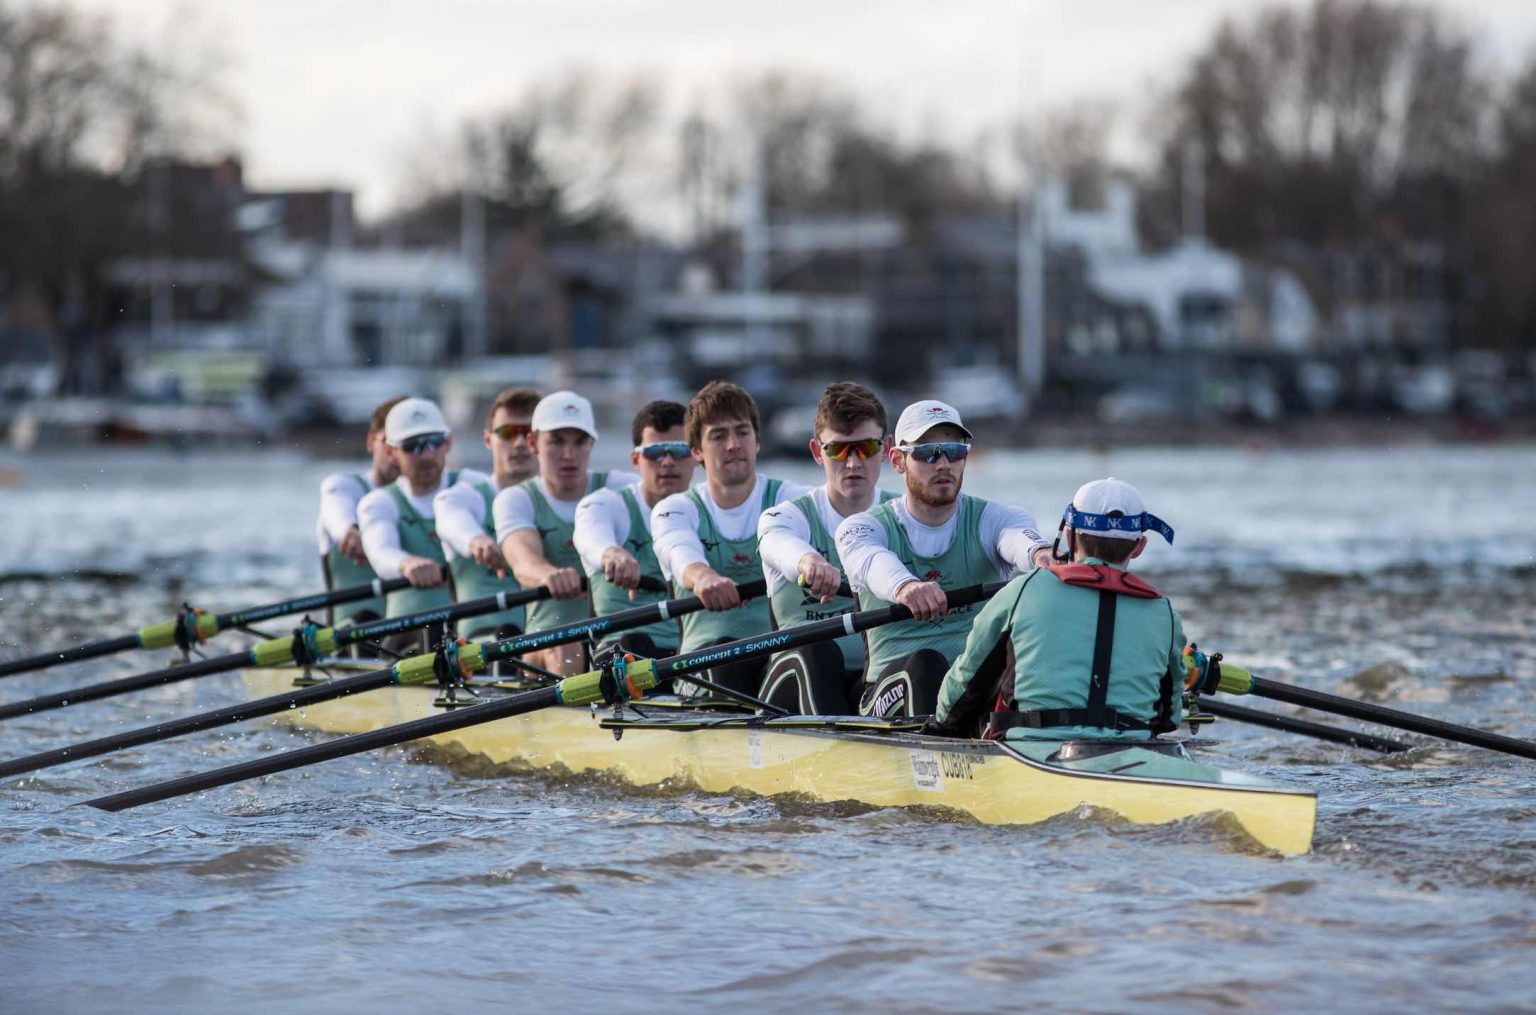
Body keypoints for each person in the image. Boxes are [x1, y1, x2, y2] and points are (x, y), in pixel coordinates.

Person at [835, 400, 1052, 718]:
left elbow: (1018, 540)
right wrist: (905, 586)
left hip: (969, 690)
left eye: (954, 451)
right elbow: (871, 560)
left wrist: (1041, 555)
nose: (943, 464)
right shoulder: (862, 528)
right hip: (886, 695)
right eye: (927, 453)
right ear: (897, 461)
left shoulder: (997, 518)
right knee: (926, 665)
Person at [927, 478, 1184, 741]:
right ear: (1139, 547)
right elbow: (1170, 717)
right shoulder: (1164, 613)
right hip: (1133, 749)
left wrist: (940, 729)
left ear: (1069, 536)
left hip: (1031, 748)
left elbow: (966, 681)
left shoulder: (1022, 591)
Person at [652, 381, 810, 699]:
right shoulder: (676, 509)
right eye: (718, 436)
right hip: (702, 668)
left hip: (771, 662)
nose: (733, 445)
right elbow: (678, 549)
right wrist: (703, 578)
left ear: (757, 441)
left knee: (809, 657)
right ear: (696, 451)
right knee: (728, 654)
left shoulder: (791, 500)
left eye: (742, 432)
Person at [758, 382, 896, 714]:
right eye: (838, 450)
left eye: (865, 447)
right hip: (794, 681)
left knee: (920, 663)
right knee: (818, 651)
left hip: (869, 684)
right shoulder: (788, 516)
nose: (853, 463)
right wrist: (807, 562)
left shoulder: (903, 516)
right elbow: (779, 544)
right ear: (817, 453)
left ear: (887, 448)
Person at [494, 391, 638, 676]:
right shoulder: (516, 499)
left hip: (612, 641)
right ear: (533, 443)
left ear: (592, 443)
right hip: (546, 643)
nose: (569, 455)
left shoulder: (621, 488)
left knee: (633, 644)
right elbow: (523, 562)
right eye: (557, 442)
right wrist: (549, 575)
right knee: (565, 643)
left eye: (579, 442)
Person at [574, 400, 694, 661]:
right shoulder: (606, 505)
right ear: (635, 459)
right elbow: (591, 536)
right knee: (635, 643)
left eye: (678, 450)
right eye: (655, 453)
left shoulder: (706, 510)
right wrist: (612, 555)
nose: (667, 462)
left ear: (696, 455)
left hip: (691, 654)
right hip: (621, 654)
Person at [435, 387, 541, 643]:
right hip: (484, 647)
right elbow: (452, 521)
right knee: (507, 634)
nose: (519, 444)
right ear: (487, 439)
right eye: (507, 433)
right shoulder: (462, 498)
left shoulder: (573, 503)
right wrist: (477, 542)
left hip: (552, 641)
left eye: (528, 433)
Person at [356, 397, 460, 650]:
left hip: (472, 631)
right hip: (406, 637)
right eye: (412, 446)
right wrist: (406, 564)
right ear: (390, 453)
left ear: (448, 443)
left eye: (434, 442)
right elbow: (381, 553)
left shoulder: (476, 486)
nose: (425, 455)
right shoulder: (379, 502)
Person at [314, 395, 405, 628]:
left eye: (406, 444)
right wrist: (350, 532)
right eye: (389, 443)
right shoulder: (343, 487)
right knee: (366, 620)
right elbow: (338, 519)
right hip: (354, 633)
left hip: (411, 632)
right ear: (370, 442)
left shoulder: (442, 500)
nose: (397, 454)